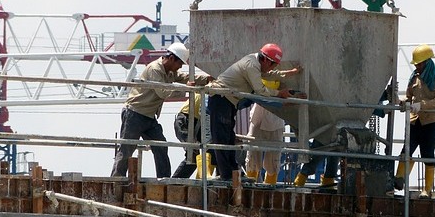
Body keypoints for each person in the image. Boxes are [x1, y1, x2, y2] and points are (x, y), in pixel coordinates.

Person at [111, 42, 211, 178]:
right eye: (180, 63)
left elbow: (185, 78)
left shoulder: (169, 71)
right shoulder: (155, 69)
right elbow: (163, 92)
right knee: (127, 148)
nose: (180, 66)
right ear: (171, 59)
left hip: (149, 116)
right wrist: (186, 89)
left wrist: (207, 79)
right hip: (135, 113)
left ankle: (164, 179)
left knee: (161, 146)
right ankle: (116, 180)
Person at [207, 43, 302, 181]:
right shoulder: (251, 65)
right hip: (221, 99)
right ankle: (227, 175)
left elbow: (268, 74)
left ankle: (234, 173)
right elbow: (260, 90)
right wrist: (279, 93)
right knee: (222, 138)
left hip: (228, 101)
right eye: (273, 64)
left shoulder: (256, 63)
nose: (272, 68)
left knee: (228, 138)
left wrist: (288, 73)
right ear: (266, 60)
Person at [393, 44, 435, 199]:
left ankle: (427, 189)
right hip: (415, 121)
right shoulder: (414, 79)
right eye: (416, 64)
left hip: (431, 122)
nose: (416, 66)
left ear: (427, 63)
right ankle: (399, 179)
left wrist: (421, 106)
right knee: (406, 150)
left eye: (419, 63)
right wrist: (402, 102)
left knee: (428, 153)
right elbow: (409, 98)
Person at [170, 93, 215, 178]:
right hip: (185, 120)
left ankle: (201, 179)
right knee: (193, 152)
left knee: (210, 150)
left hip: (198, 123)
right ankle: (176, 182)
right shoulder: (204, 90)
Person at [245, 98, 286, 185]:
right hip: (258, 117)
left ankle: (270, 189)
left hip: (277, 119)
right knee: (252, 158)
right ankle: (249, 187)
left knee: (274, 160)